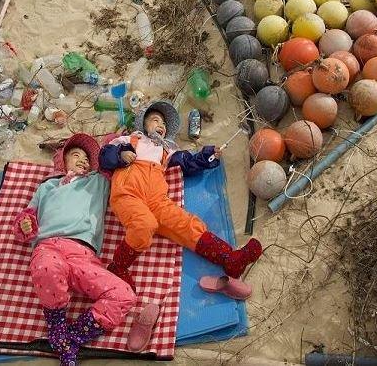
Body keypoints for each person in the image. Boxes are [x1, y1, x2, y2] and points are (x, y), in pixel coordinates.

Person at [99, 100, 263, 290]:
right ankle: (118, 266)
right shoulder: (130, 140)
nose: (160, 125)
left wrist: (206, 157)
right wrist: (121, 155)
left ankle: (230, 258)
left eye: (163, 124)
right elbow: (105, 157)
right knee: (144, 225)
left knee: (187, 224)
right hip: (129, 194)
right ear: (143, 124)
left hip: (156, 201)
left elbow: (187, 163)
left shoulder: (167, 150)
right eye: (155, 120)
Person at [12, 133, 135, 366]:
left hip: (84, 255)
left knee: (123, 295)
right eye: (75, 155)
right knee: (47, 268)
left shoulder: (98, 181)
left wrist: (117, 136)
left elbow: (109, 157)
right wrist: (25, 224)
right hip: (49, 246)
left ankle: (71, 338)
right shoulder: (47, 186)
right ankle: (57, 324)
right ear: (62, 161)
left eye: (87, 158)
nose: (82, 160)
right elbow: (24, 221)